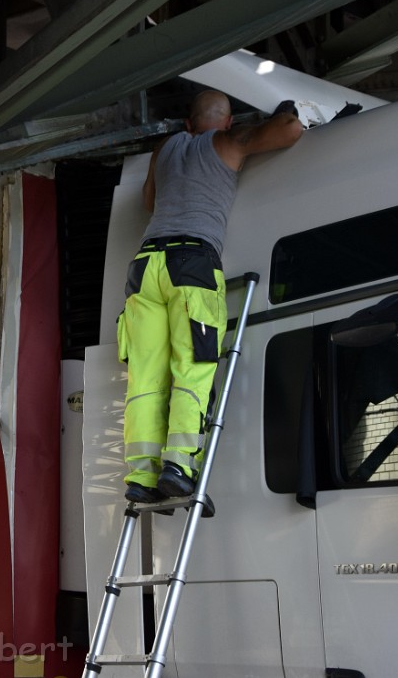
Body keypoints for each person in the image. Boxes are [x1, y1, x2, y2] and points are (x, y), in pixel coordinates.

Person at [118, 90, 303, 504]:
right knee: (193, 368)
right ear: (227, 122)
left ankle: (141, 478)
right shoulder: (228, 142)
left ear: (188, 123)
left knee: (146, 376)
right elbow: (289, 130)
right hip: (192, 262)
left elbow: (150, 201)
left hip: (145, 266)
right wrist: (287, 109)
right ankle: (179, 465)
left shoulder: (164, 149)